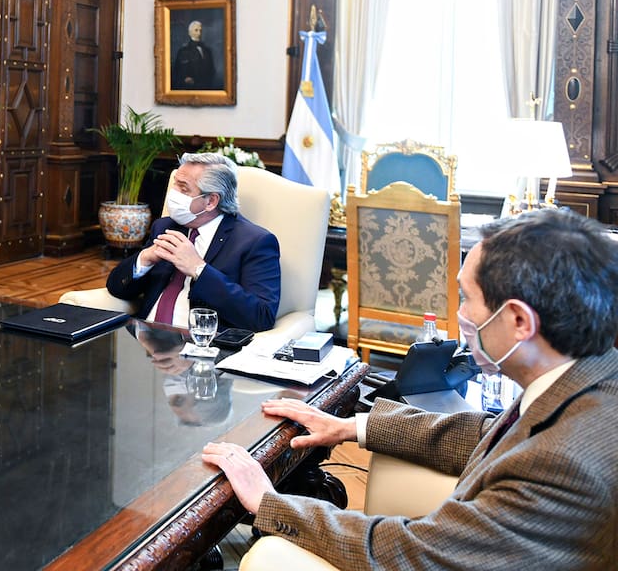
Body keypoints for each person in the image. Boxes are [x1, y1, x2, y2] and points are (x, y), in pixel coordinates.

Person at [205, 208, 618, 569]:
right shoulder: (591, 375)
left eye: (466, 298)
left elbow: (414, 553)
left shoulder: (564, 464)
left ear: (519, 322)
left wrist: (269, 502)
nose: (458, 315)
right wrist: (352, 426)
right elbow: (488, 434)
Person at [106, 153, 280, 331]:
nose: (173, 194)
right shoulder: (165, 227)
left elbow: (262, 317)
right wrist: (144, 259)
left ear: (211, 201)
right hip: (146, 338)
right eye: (175, 184)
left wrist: (199, 269)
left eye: (183, 188)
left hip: (200, 346)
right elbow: (117, 288)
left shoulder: (255, 242)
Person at [171, 20, 218, 90]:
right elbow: (177, 72)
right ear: (190, 33)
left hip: (206, 88)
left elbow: (212, 70)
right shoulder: (183, 51)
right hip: (189, 89)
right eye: (196, 30)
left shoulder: (207, 51)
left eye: (200, 30)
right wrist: (184, 79)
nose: (199, 33)